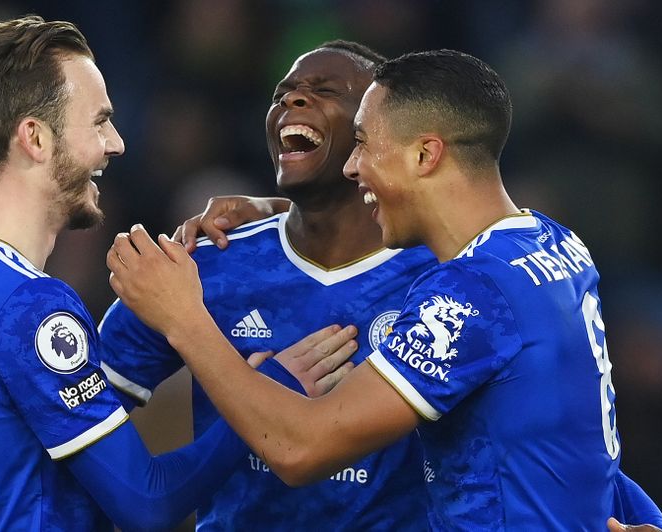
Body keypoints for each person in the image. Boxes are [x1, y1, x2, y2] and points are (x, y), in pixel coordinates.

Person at [0, 16, 347, 532]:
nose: (117, 143)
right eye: (100, 121)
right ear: (35, 138)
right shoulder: (32, 308)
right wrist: (268, 397)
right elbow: (147, 502)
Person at [107, 49, 662, 530]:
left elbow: (301, 448)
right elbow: (586, 452)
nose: (353, 168)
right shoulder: (553, 245)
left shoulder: (468, 294)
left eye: (363, 143)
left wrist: (185, 318)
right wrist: (282, 211)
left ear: (425, 154)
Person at [98, 41, 437, 529]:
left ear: (376, 137)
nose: (293, 101)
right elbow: (80, 411)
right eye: (285, 93)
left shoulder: (442, 278)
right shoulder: (209, 262)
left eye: (324, 91)